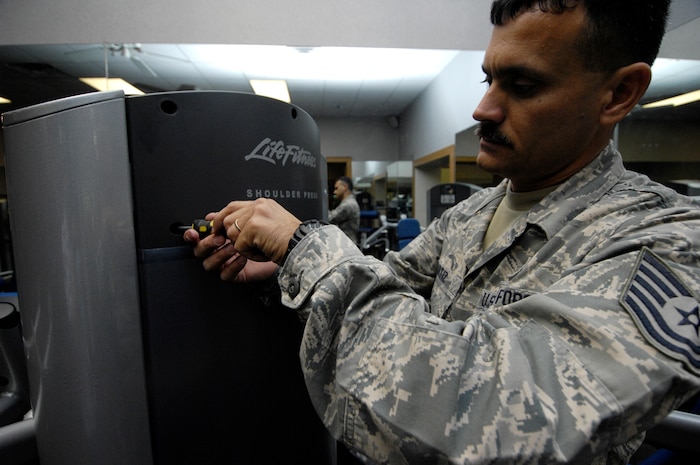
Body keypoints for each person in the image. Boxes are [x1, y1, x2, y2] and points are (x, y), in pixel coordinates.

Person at [184, 1, 700, 463]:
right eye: (488, 81)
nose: (484, 109)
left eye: (523, 86)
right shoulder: (471, 214)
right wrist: (284, 272)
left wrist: (307, 247)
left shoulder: (664, 240)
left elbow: (496, 427)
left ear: (619, 93)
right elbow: (389, 286)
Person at [329, 176, 361, 245]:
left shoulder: (347, 205)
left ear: (345, 187)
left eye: (336, 188)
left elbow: (329, 218)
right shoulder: (349, 202)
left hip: (347, 244)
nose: (334, 192)